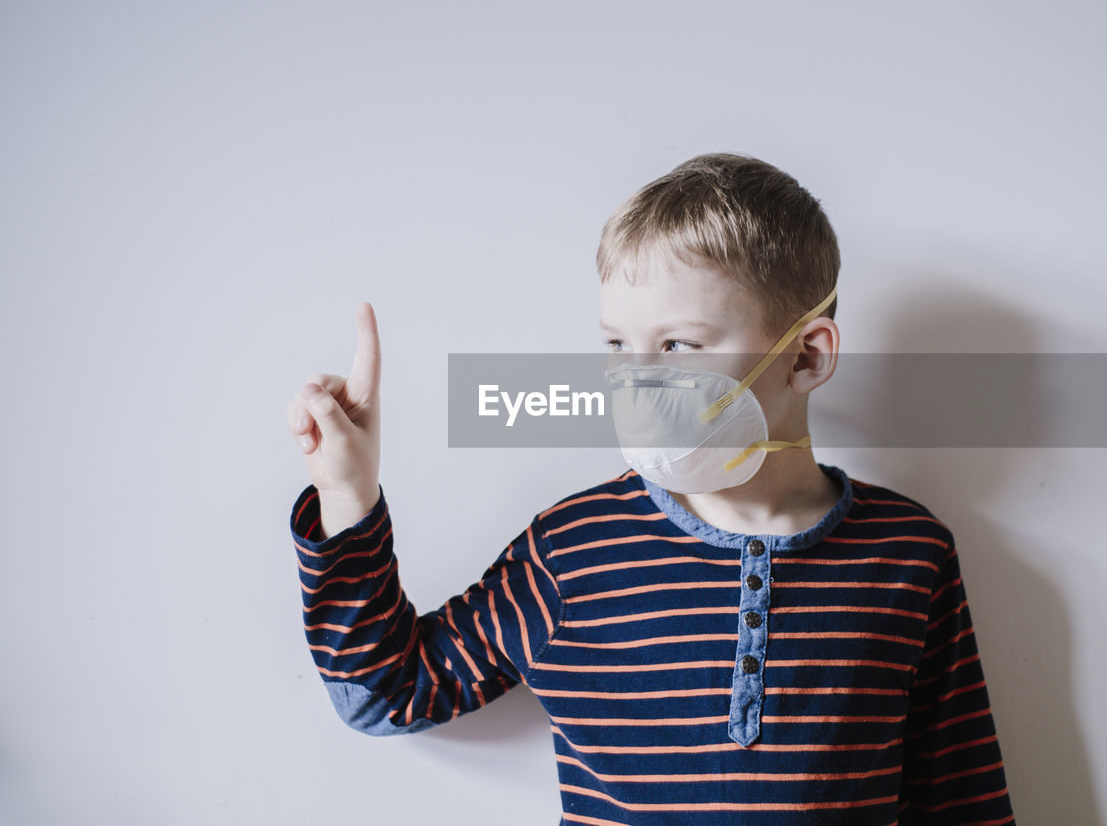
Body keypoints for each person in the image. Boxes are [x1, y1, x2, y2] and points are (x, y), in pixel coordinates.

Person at [284, 153, 1016, 825]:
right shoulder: (571, 553)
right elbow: (383, 691)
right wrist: (347, 493)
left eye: (678, 345)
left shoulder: (911, 556)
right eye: (617, 345)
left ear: (806, 356)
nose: (637, 381)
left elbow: (962, 799)